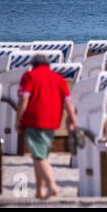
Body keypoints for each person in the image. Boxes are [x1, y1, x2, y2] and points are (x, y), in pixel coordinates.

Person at [15, 54, 78, 199]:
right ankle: (39, 191)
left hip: (34, 120)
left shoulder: (29, 76)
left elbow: (24, 99)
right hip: (53, 120)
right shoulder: (58, 78)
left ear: (33, 65)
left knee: (39, 157)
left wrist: (18, 120)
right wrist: (73, 120)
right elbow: (68, 102)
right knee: (40, 155)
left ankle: (52, 185)